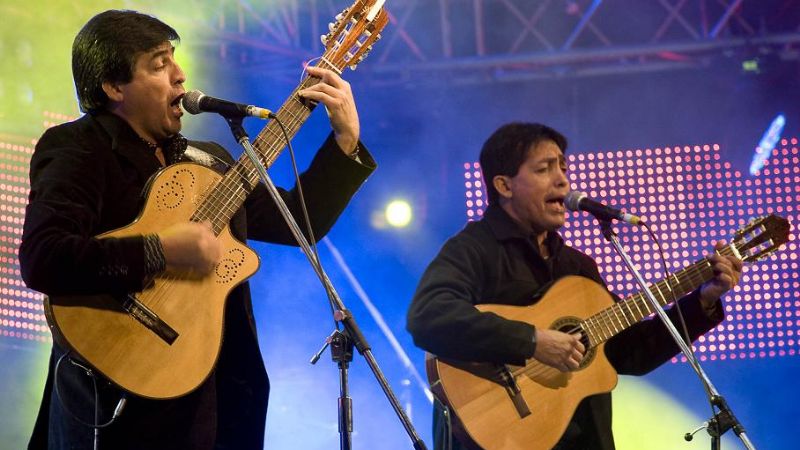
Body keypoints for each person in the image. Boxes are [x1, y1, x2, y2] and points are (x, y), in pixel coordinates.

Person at [20, 9, 375, 450]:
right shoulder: (79, 146)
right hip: (112, 399)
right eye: (159, 64)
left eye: (174, 58)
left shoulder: (207, 160)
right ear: (113, 87)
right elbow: (44, 258)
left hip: (213, 399)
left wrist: (345, 142)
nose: (180, 75)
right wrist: (160, 251)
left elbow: (299, 222)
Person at [406, 122, 743, 449]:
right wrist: (532, 342)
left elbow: (631, 353)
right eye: (544, 169)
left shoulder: (577, 266)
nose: (563, 180)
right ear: (504, 186)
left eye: (563, 168)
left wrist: (703, 300)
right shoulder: (473, 249)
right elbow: (429, 316)